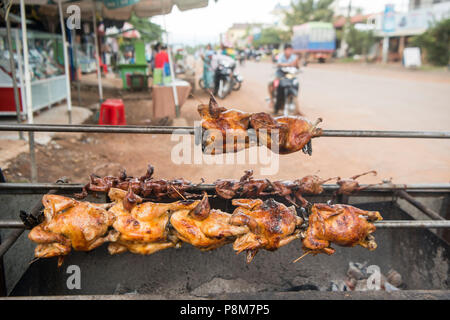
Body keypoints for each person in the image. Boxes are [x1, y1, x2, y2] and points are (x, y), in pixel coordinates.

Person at [268, 44, 302, 115]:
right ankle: (273, 102)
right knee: (272, 83)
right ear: (285, 50)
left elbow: (297, 66)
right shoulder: (280, 56)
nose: (289, 51)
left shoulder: (294, 57)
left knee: (296, 83)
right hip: (280, 75)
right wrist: (289, 64)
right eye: (288, 50)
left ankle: (293, 98)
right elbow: (279, 64)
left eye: (291, 50)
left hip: (290, 75)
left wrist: (297, 63)